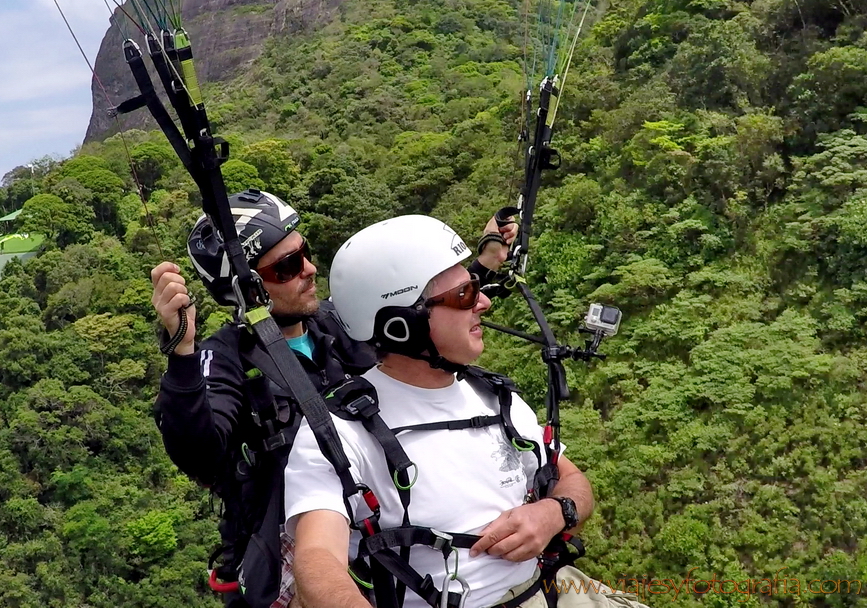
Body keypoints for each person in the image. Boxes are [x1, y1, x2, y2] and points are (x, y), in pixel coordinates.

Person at [150, 190, 516, 608]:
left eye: (303, 251)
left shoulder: (335, 323)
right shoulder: (226, 358)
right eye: (287, 267)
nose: (309, 268)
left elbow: (424, 313)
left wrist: (481, 264)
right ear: (247, 287)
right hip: (295, 551)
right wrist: (181, 353)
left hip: (387, 537)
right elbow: (198, 452)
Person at [284, 215, 646, 608]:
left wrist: (556, 511)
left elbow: (571, 477)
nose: (485, 303)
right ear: (400, 326)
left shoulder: (493, 395)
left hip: (553, 587)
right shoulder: (341, 430)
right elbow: (317, 561)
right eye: (466, 294)